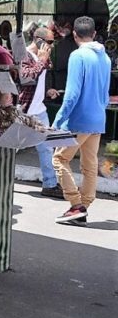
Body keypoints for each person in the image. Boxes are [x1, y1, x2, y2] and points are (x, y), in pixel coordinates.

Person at [51, 16, 111, 225]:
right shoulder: (105, 58)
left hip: (79, 119)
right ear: (94, 34)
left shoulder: (77, 56)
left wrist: (58, 121)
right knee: (89, 165)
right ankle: (83, 206)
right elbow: (105, 94)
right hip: (98, 118)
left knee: (59, 159)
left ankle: (76, 205)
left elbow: (72, 94)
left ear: (74, 34)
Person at [19, 28, 62, 198]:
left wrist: (47, 90)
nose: (52, 45)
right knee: (13, 147)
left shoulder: (42, 57)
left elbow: (40, 80)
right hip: (24, 111)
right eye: (50, 42)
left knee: (46, 148)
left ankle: (50, 184)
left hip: (39, 110)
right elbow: (26, 77)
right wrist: (42, 60)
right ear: (38, 40)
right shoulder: (25, 55)